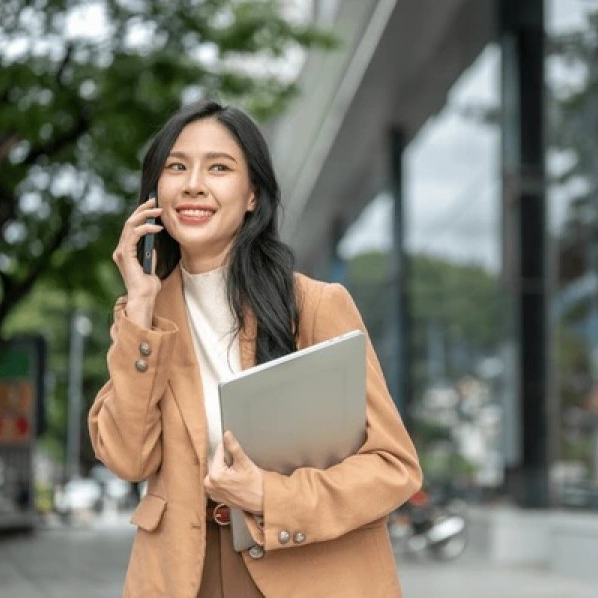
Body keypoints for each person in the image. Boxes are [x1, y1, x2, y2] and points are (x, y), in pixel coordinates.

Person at [88, 99, 422, 597]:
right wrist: (139, 307)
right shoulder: (144, 322)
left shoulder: (313, 306)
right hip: (186, 576)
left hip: (304, 572)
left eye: (218, 168)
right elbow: (126, 458)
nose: (193, 184)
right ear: (155, 192)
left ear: (252, 195)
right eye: (176, 167)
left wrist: (271, 495)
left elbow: (394, 467)